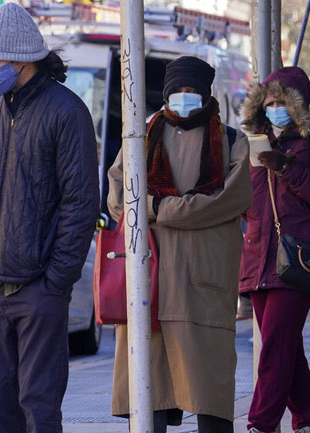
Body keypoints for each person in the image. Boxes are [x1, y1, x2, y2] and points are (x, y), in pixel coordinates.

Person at [0, 3, 99, 432]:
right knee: (1, 407)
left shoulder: (67, 112)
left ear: (21, 60)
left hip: (38, 288)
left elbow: (81, 204)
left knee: (39, 408)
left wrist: (55, 282)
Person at [108, 56, 252, 433]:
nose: (185, 98)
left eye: (193, 92)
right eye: (178, 91)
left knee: (211, 396)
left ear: (206, 95)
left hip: (203, 283)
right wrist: (160, 208)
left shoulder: (231, 141)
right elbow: (121, 197)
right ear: (167, 93)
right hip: (150, 283)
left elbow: (228, 200)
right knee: (149, 395)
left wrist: (156, 207)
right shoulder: (140, 136)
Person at [239, 66, 310, 433]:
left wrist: (287, 168)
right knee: (285, 346)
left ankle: (261, 424)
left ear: (298, 104)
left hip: (299, 259)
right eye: (268, 101)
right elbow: (246, 202)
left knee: (274, 347)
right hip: (257, 259)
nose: (273, 108)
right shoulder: (252, 143)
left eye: (281, 101)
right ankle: (306, 421)